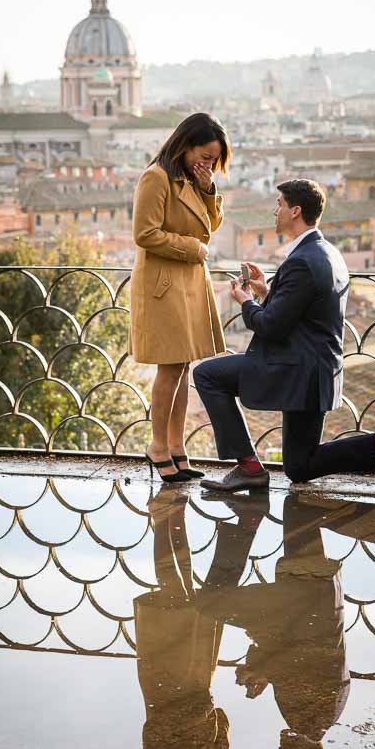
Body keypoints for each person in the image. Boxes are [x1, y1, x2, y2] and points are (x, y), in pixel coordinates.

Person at [194, 178, 375, 492]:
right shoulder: (326, 252)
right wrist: (266, 290)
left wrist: (246, 302)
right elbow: (304, 308)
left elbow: (272, 325)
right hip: (317, 369)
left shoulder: (301, 261)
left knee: (207, 374)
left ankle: (247, 466)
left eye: (279, 205)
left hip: (295, 368)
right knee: (300, 466)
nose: (275, 211)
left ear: (295, 211)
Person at [196, 490, 375, 749]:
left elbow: (302, 669)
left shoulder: (322, 717)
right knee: (210, 603)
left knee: (299, 507)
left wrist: (264, 675)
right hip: (298, 606)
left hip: (316, 601)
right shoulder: (310, 720)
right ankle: (245, 526)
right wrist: (260, 670)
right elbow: (307, 658)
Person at [129, 113, 231, 483]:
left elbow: (210, 226)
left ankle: (176, 447)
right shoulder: (156, 177)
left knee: (183, 368)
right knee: (170, 368)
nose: (207, 164)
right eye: (203, 156)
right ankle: (158, 446)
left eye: (213, 160)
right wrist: (192, 249)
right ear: (185, 144)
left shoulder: (191, 178)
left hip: (187, 283)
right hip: (164, 286)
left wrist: (208, 190)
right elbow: (144, 233)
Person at [133, 486, 238, 749]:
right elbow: (219, 719)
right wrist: (215, 734)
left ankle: (162, 515)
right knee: (185, 589)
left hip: (170, 681)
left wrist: (205, 725)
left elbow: (156, 729)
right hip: (191, 679)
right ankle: (172, 515)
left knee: (173, 589)